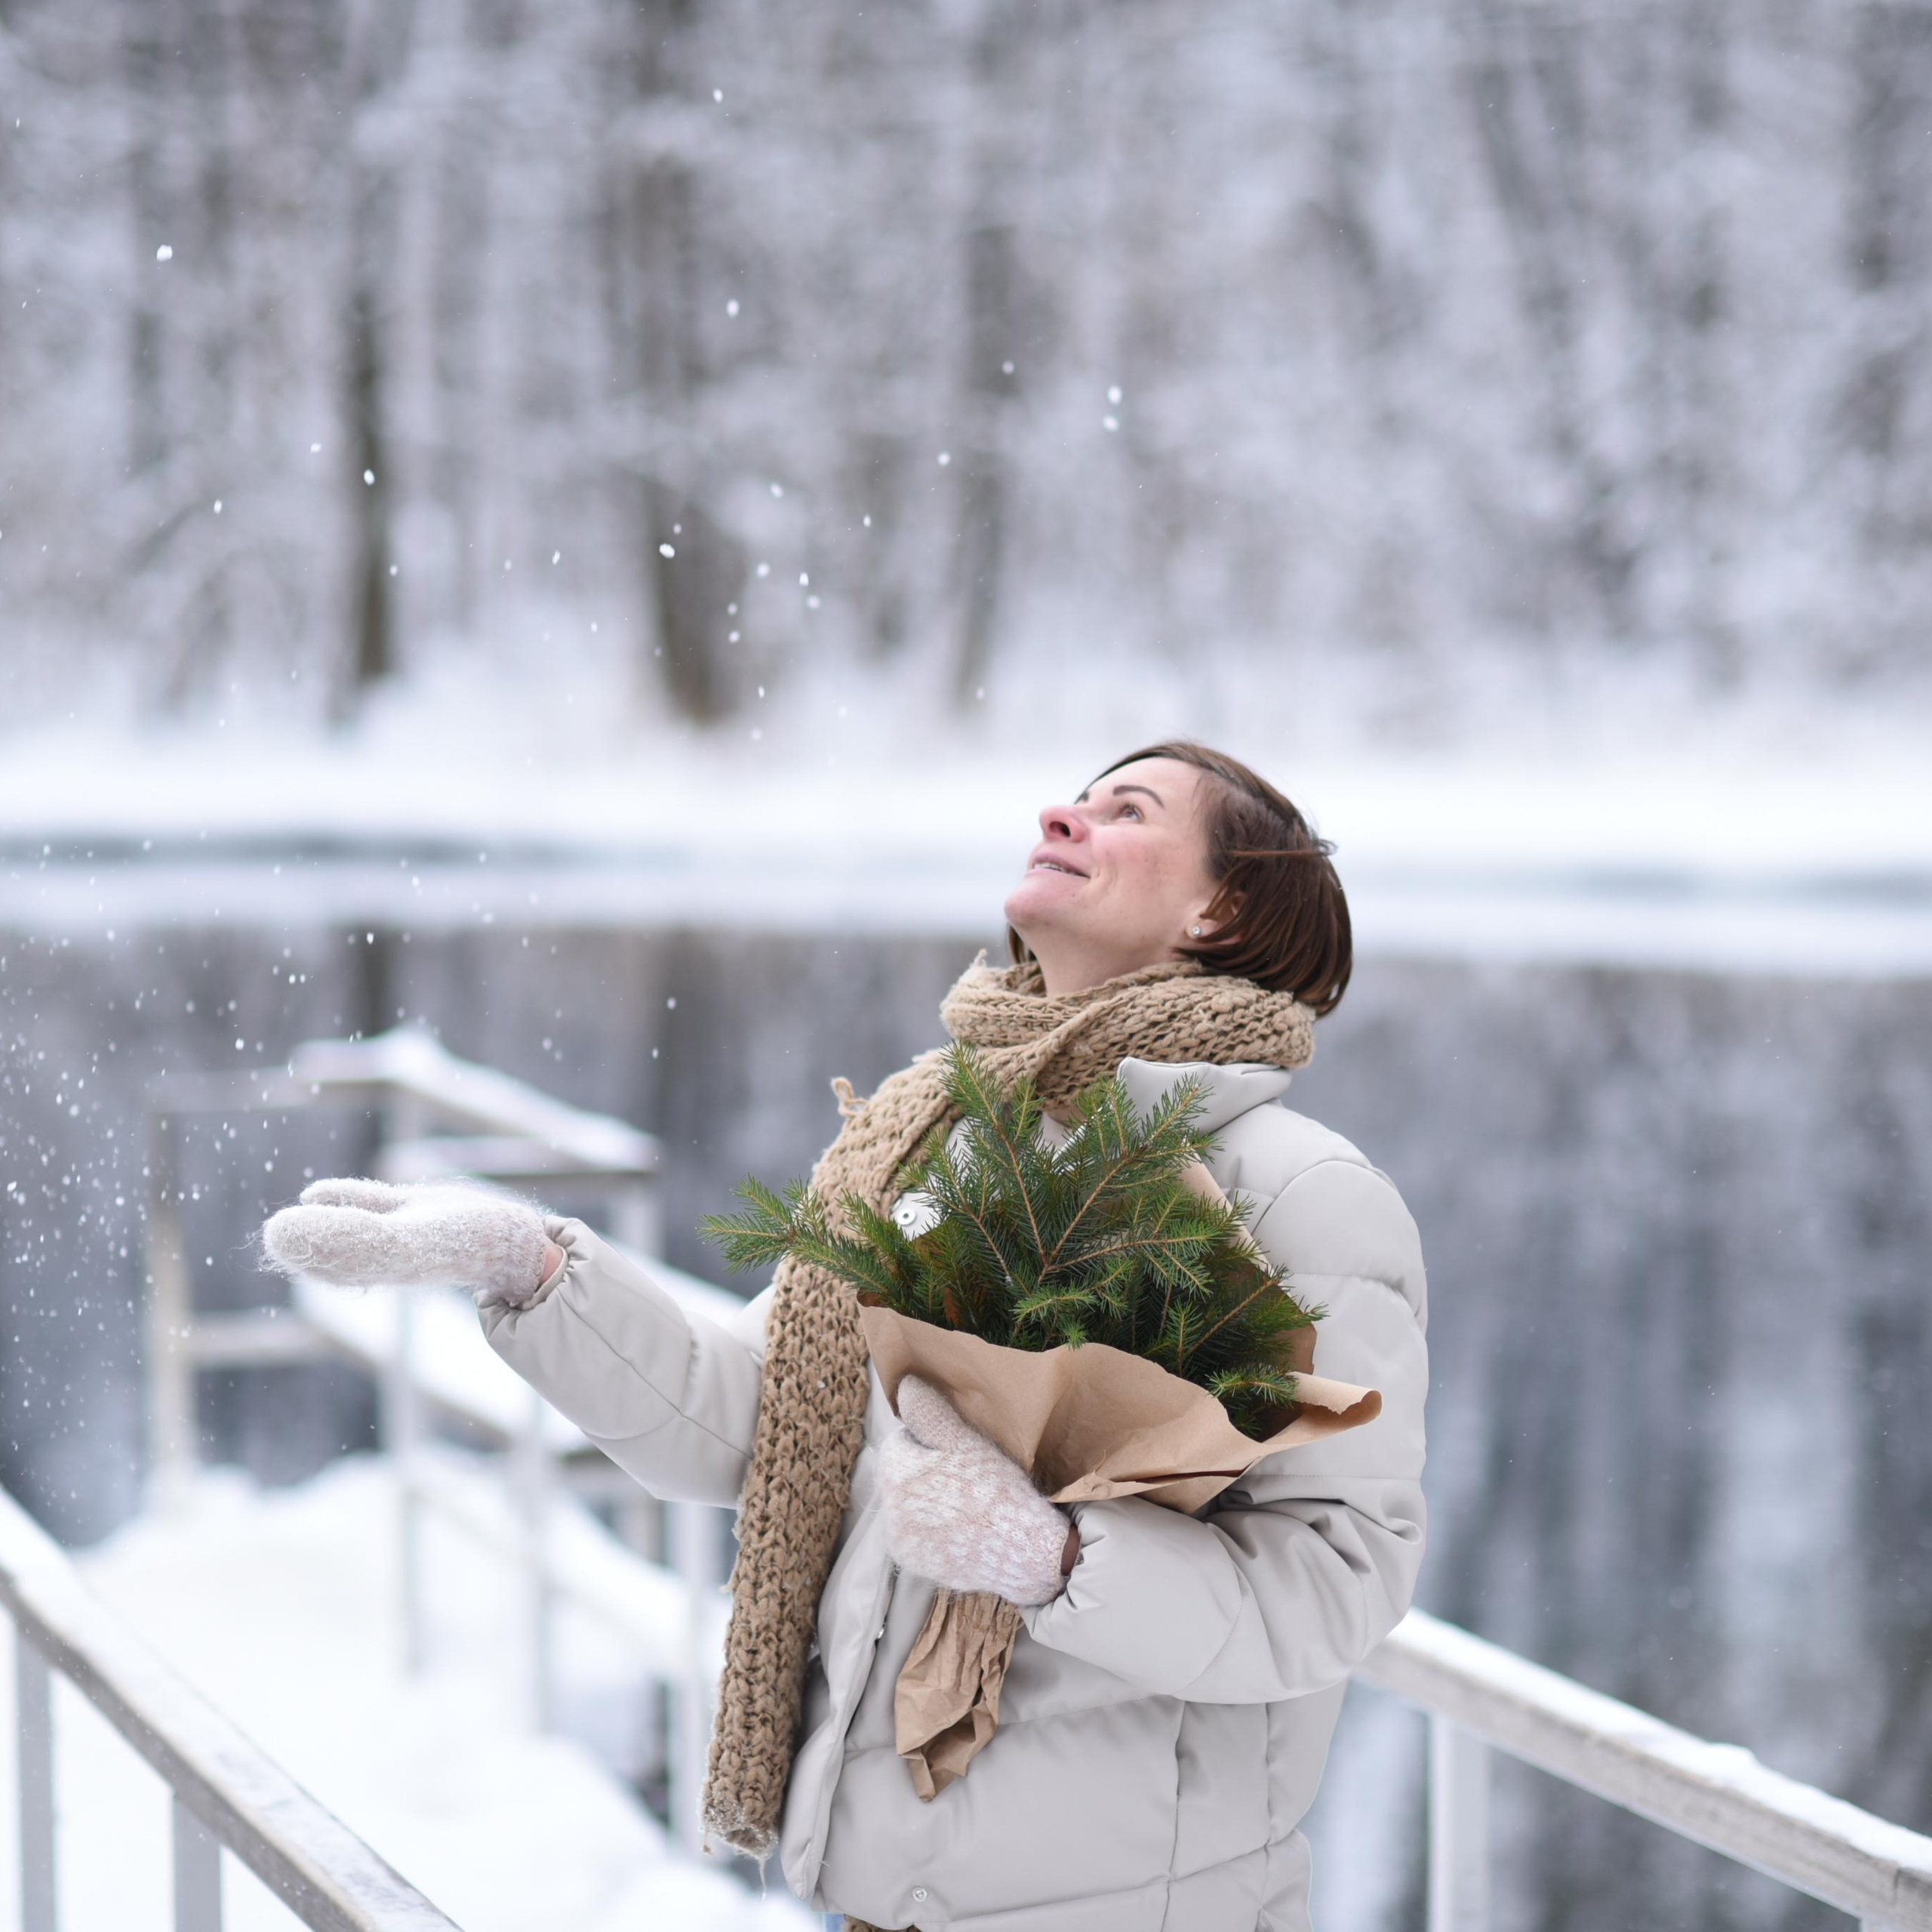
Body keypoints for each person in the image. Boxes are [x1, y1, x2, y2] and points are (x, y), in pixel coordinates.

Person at [263, 740, 1428, 1932]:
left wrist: (1059, 1563)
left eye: (1122, 811)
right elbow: (756, 1426)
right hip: (874, 1900)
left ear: (1219, 908)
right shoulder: (936, 1142)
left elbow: (1342, 1582)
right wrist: (539, 1271)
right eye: (1071, 798)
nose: (1061, 816)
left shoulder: (1303, 1196)